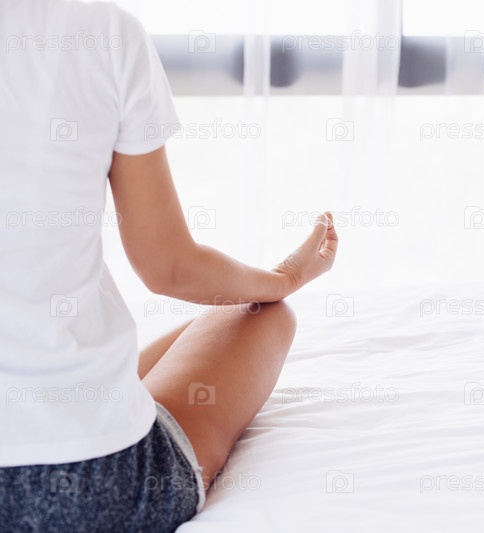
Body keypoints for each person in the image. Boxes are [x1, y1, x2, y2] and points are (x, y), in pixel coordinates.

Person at [0, 0, 337, 530]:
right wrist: (285, 278)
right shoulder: (101, 32)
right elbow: (170, 268)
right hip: (97, 487)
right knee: (262, 316)